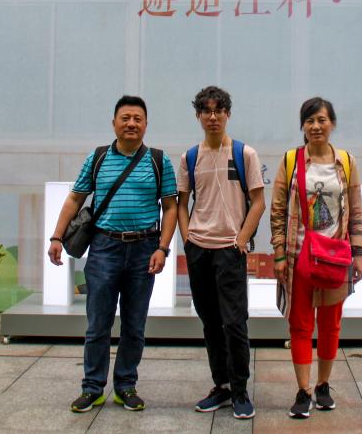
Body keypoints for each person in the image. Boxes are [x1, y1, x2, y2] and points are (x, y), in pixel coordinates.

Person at [48, 95, 177, 413]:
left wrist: (162, 248)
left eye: (137, 118)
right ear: (114, 123)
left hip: (144, 249)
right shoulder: (98, 158)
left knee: (134, 325)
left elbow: (171, 207)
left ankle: (125, 386)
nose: (131, 123)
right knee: (97, 324)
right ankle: (92, 388)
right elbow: (75, 199)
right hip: (104, 249)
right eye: (125, 118)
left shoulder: (159, 161)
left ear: (146, 124)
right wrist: (56, 237)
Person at [271, 97, 362, 419]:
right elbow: (278, 211)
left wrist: (358, 252)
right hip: (299, 257)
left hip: (334, 257)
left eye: (322, 120)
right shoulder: (291, 161)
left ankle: (323, 385)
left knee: (330, 325)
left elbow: (356, 210)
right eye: (310, 120)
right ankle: (303, 391)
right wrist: (280, 254)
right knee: (299, 325)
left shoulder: (346, 162)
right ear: (302, 125)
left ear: (332, 124)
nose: (315, 126)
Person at [178, 86, 265, 420]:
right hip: (200, 250)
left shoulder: (244, 154)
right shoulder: (189, 157)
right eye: (206, 111)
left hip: (230, 250)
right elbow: (181, 203)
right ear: (198, 115)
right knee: (210, 323)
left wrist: (241, 238)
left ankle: (240, 390)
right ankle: (222, 386)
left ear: (228, 114)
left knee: (235, 323)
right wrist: (187, 238)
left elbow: (258, 202)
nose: (212, 117)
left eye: (218, 110)